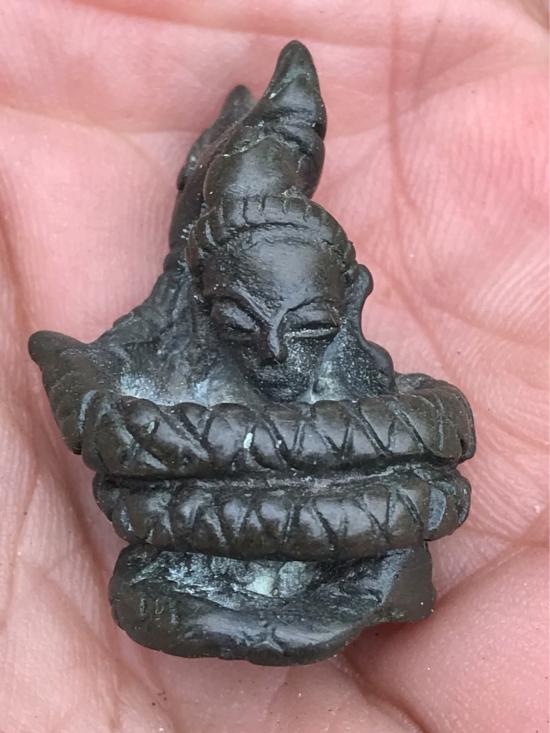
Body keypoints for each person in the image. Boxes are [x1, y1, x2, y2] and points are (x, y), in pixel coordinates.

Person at [0, 1, 547, 730]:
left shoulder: (386, 406)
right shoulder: (153, 375)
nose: (277, 355)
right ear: (200, 305)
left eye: (310, 328)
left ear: (350, 302)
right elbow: (102, 407)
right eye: (239, 325)